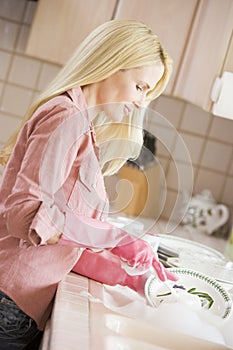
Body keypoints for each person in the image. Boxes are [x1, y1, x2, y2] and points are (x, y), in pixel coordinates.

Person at [0, 19, 177, 349]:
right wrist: (113, 238)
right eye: (141, 87)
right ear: (112, 63)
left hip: (16, 306)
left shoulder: (80, 125)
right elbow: (26, 214)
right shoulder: (64, 116)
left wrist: (126, 276)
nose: (141, 102)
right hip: (8, 302)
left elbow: (62, 239)